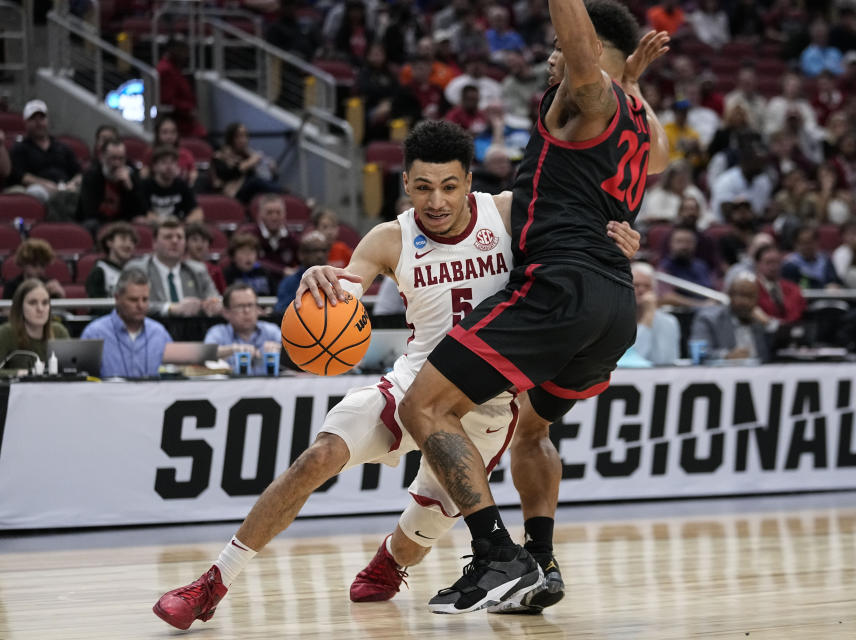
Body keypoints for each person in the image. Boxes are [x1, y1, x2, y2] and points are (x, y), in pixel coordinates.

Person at [151, 120, 640, 629]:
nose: (437, 201)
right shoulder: (389, 238)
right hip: (413, 384)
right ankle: (212, 582)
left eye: (450, 186)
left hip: (486, 410)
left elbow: (587, 235)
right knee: (316, 458)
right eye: (424, 187)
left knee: (416, 537)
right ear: (406, 182)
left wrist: (618, 242)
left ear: (470, 182)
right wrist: (319, 281)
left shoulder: (508, 214)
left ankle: (391, 558)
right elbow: (345, 289)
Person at [397, 1, 669, 614]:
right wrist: (632, 82)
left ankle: (495, 554)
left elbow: (580, 65)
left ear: (592, 53)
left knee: (425, 405)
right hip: (613, 305)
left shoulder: (588, 97)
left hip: (561, 288)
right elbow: (663, 158)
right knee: (533, 427)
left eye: (559, 44)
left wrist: (599, 64)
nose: (551, 54)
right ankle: (541, 566)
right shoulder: (635, 117)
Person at [80, 268, 173, 377]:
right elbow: (83, 382)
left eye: (145, 299)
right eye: (133, 300)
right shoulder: (94, 334)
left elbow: (173, 374)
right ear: (117, 298)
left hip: (153, 393)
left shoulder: (159, 333)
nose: (141, 306)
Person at [125, 218, 222, 317]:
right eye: (168, 237)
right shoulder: (138, 270)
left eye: (179, 237)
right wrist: (170, 308)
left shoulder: (198, 270)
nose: (175, 241)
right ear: (154, 243)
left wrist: (213, 304)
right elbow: (129, 304)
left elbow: (214, 297)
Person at [8, 100, 82, 217]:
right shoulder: (20, 148)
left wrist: (71, 184)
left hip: (66, 187)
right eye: (33, 119)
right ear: (25, 123)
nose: (38, 123)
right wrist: (47, 185)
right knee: (36, 193)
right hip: (40, 189)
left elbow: (79, 172)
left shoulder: (62, 147)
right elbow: (19, 175)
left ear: (47, 121)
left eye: (41, 118)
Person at [689, 273, 772, 362]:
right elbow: (699, 352)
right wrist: (727, 355)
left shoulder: (760, 322)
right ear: (730, 295)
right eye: (741, 295)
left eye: (750, 296)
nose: (745, 302)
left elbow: (778, 349)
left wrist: (769, 325)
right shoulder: (708, 319)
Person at [204, 282, 281, 375]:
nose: (247, 311)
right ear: (226, 312)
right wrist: (233, 349)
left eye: (250, 305)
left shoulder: (271, 330)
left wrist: (279, 349)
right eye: (240, 306)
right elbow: (204, 355)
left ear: (258, 309)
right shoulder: (218, 332)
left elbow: (293, 353)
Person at [0, 279, 69, 374]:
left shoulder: (59, 332)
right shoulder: (6, 333)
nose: (40, 309)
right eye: (32, 303)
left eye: (45, 303)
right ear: (20, 307)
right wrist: (21, 373)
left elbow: (73, 369)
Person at [617, 261, 679, 366]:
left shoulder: (669, 322)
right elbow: (631, 362)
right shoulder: (615, 320)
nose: (641, 290)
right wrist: (646, 321)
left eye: (647, 286)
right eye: (636, 285)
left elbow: (665, 360)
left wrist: (649, 316)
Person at [77, 138, 147, 230]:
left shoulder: (132, 176)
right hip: (99, 223)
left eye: (121, 158)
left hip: (124, 223)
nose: (117, 163)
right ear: (102, 157)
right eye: (113, 158)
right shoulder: (91, 176)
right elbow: (89, 211)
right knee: (91, 224)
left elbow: (141, 211)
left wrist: (129, 188)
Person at [211, 123, 283, 203]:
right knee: (255, 182)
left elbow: (264, 178)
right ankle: (282, 192)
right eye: (239, 136)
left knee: (260, 183)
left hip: (251, 195)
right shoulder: (221, 156)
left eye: (245, 136)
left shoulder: (248, 154)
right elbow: (227, 175)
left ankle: (282, 192)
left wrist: (272, 171)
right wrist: (249, 163)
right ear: (231, 138)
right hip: (231, 193)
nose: (244, 140)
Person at [157, 40, 207, 138]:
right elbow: (167, 100)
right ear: (174, 50)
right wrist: (188, 108)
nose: (187, 55)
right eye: (184, 51)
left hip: (186, 121)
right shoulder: (166, 70)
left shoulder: (174, 68)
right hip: (180, 123)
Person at [140, 146, 203, 223]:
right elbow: (142, 215)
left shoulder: (182, 185)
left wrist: (184, 223)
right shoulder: (144, 186)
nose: (169, 167)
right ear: (154, 166)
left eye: (172, 162)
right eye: (164, 162)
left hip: (177, 228)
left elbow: (197, 212)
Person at [272, 231, 330, 313]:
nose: (320, 255)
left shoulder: (336, 279)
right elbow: (282, 312)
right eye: (315, 250)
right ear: (301, 254)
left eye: (323, 250)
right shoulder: (289, 283)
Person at [242, 194, 299, 275]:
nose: (274, 217)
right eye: (269, 213)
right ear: (260, 214)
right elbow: (251, 261)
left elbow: (301, 259)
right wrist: (282, 271)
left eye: (278, 213)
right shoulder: (249, 235)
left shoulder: (291, 237)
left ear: (284, 214)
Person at [753, 245, 806, 325]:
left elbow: (799, 311)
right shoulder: (752, 289)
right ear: (758, 264)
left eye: (776, 262)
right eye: (768, 262)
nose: (773, 267)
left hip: (791, 331)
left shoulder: (793, 288)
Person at [86, 221, 138, 298]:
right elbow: (97, 307)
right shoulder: (100, 271)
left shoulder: (135, 270)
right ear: (109, 242)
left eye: (132, 241)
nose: (128, 245)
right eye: (123, 239)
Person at [151, 115, 197, 185]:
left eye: (173, 132)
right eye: (165, 132)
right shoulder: (151, 153)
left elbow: (193, 174)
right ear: (157, 134)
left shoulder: (186, 154)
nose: (169, 136)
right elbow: (144, 176)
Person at [184, 223, 227, 294]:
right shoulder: (179, 268)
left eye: (203, 240)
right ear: (186, 243)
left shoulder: (215, 271)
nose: (199, 245)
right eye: (195, 240)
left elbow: (223, 295)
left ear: (209, 245)